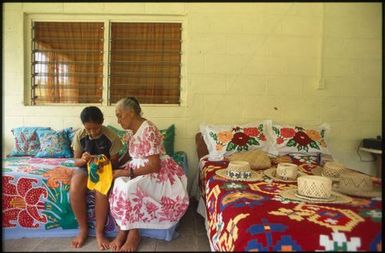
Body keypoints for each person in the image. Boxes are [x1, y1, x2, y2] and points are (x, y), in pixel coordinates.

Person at [109, 97, 189, 252]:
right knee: (118, 182)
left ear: (131, 113)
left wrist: (125, 172)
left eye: (120, 115)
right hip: (138, 167)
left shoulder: (148, 129)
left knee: (132, 187)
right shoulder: (131, 131)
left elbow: (154, 165)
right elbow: (129, 155)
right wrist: (113, 166)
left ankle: (133, 234)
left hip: (156, 171)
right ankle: (123, 229)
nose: (118, 120)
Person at [70, 106, 123, 250]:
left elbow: (116, 162)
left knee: (101, 191)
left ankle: (99, 233)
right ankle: (83, 230)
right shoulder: (80, 135)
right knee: (75, 187)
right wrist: (83, 160)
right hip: (85, 167)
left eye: (96, 128)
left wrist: (102, 161)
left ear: (102, 122)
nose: (92, 132)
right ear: (83, 126)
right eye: (88, 129)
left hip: (104, 169)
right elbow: (76, 161)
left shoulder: (111, 137)